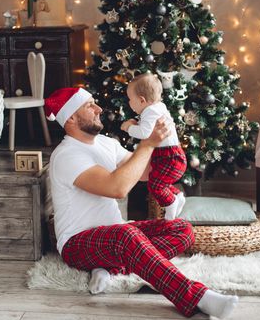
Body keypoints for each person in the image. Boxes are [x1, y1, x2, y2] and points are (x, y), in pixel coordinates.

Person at [45, 87, 238, 319]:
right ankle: (197, 297)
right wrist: (147, 144)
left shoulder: (106, 144)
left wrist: (167, 144)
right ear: (71, 118)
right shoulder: (66, 154)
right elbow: (117, 188)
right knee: (126, 236)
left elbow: (145, 172)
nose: (98, 109)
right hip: (77, 243)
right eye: (89, 106)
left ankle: (109, 268)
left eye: (95, 103)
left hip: (115, 235)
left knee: (182, 230)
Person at [121, 73, 186, 220]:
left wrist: (127, 128)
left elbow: (145, 133)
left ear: (142, 100)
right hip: (168, 155)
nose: (129, 103)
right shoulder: (157, 107)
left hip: (169, 157)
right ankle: (177, 196)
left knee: (156, 186)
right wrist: (137, 124)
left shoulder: (150, 111)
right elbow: (149, 130)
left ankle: (171, 203)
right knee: (158, 182)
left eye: (130, 99)